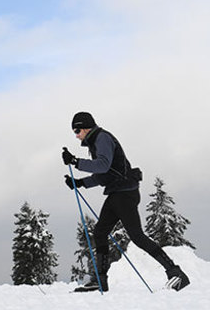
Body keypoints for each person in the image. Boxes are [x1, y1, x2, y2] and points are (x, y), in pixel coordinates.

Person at [62, 111, 190, 292]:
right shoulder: (96, 142)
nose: (76, 135)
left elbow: (103, 165)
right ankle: (100, 280)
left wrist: (76, 161)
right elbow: (104, 174)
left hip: (124, 194)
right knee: (100, 232)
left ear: (85, 127)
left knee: (137, 236)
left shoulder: (102, 138)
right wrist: (80, 183)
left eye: (77, 130)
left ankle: (176, 273)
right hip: (117, 193)